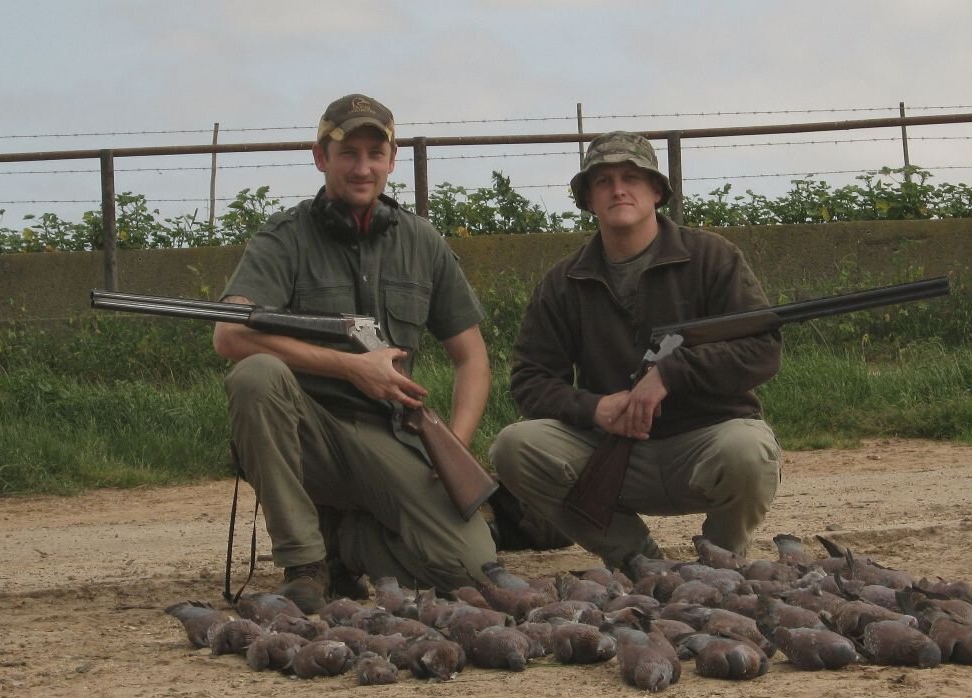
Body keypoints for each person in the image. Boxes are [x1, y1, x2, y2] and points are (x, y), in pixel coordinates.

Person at [213, 93, 496, 612]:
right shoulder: (283, 238)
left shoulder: (423, 241)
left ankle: (349, 543)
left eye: (374, 153)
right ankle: (306, 563)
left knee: (471, 570)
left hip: (392, 435)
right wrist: (350, 366)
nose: (362, 167)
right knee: (255, 376)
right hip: (309, 433)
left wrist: (454, 443)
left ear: (391, 160)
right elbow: (229, 335)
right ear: (321, 157)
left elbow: (472, 358)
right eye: (347, 153)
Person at [489, 131, 783, 572]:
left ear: (656, 192)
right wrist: (596, 409)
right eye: (602, 181)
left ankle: (720, 566)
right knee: (513, 446)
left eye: (631, 177)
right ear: (588, 198)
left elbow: (762, 348)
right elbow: (530, 378)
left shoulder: (712, 257)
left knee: (750, 451)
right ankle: (638, 563)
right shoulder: (563, 282)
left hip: (704, 441)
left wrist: (669, 375)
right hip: (612, 448)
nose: (618, 189)